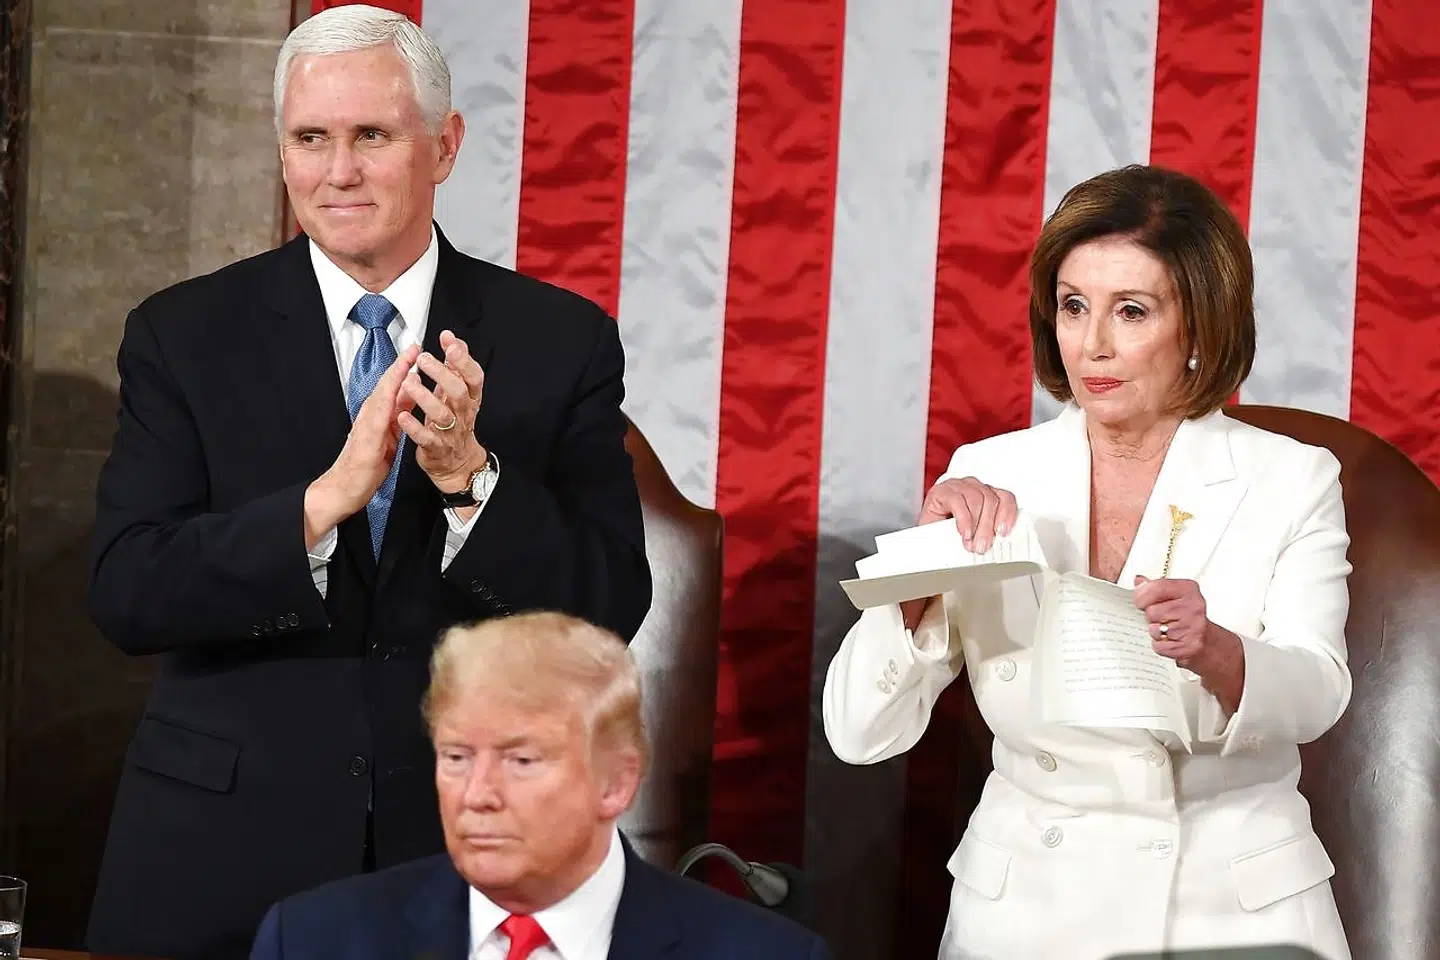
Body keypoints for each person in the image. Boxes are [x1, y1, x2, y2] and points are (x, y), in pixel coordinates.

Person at [85, 6, 651, 958]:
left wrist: (471, 480)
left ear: (445, 146)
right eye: (311, 138)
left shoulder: (561, 341)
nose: (337, 171)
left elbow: (608, 608)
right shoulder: (181, 335)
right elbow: (126, 590)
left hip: (456, 852)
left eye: (372, 136)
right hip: (216, 855)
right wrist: (317, 509)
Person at [822, 165, 1352, 960]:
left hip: (1229, 908)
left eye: (1131, 311)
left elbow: (1319, 692)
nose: (1093, 343)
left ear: (1201, 327)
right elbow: (858, 733)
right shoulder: (989, 472)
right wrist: (919, 578)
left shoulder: (1292, 478)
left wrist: (1217, 651)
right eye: (1074, 306)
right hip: (1026, 908)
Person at [246, 612, 832, 960]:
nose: (477, 794)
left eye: (521, 760)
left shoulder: (766, 956)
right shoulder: (311, 942)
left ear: (617, 782)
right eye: (456, 757)